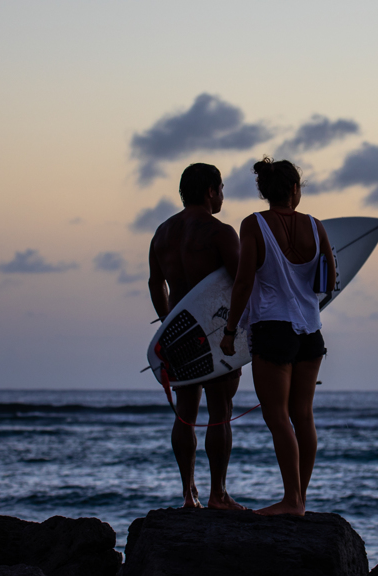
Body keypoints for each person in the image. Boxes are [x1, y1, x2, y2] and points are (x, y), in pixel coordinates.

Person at [220, 157, 334, 517]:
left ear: (265, 192)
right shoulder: (316, 227)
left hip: (272, 329)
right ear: (295, 190)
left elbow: (243, 281)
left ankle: (292, 501)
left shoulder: (253, 224)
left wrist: (228, 331)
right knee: (303, 416)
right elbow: (329, 282)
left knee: (277, 417)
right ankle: (299, 498)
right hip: (311, 332)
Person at [148, 163, 244, 510]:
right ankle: (218, 494)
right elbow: (241, 284)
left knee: (185, 414)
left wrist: (167, 322)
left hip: (181, 332)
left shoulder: (162, 233)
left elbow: (154, 283)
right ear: (210, 192)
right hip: (217, 333)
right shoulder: (220, 233)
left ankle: (189, 495)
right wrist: (240, 334)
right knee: (220, 410)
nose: (222, 195)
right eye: (221, 188)